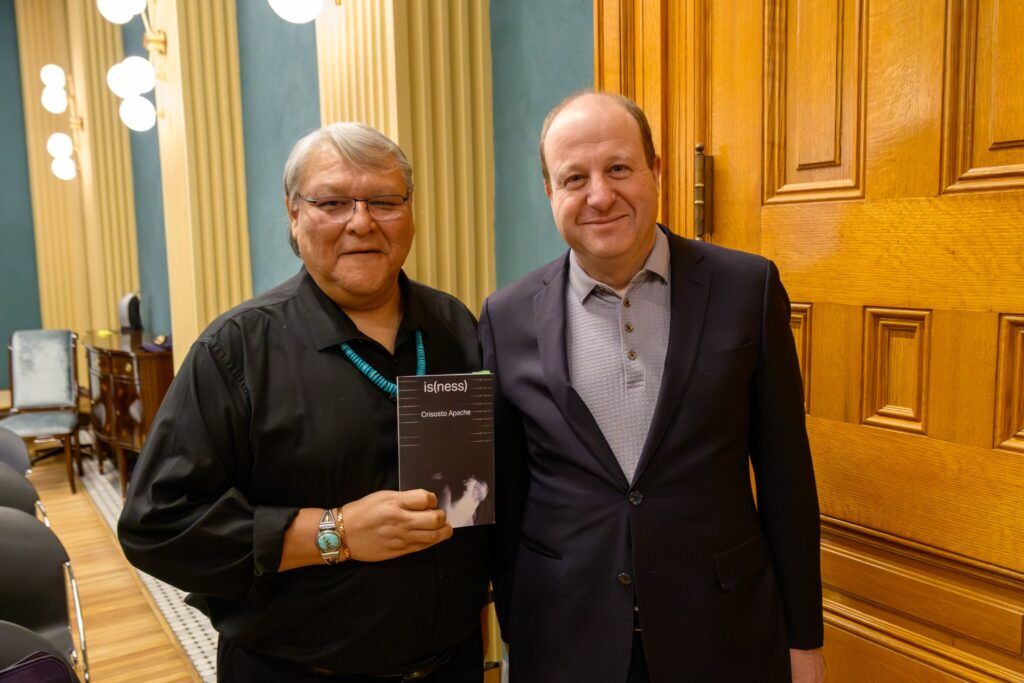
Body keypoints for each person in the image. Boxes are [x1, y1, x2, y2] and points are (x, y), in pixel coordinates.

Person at [119, 123, 490, 682]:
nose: (361, 222)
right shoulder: (236, 351)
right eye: (332, 202)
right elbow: (156, 525)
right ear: (294, 214)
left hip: (453, 666)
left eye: (384, 201)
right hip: (296, 671)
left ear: (410, 212)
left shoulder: (454, 324)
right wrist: (334, 533)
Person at [479, 91, 825, 682]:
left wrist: (804, 640)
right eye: (574, 178)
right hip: (564, 638)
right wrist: (515, 627)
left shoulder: (748, 288)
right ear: (549, 192)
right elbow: (506, 497)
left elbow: (787, 478)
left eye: (618, 168)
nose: (600, 196)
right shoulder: (505, 316)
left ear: (656, 171)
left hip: (722, 633)